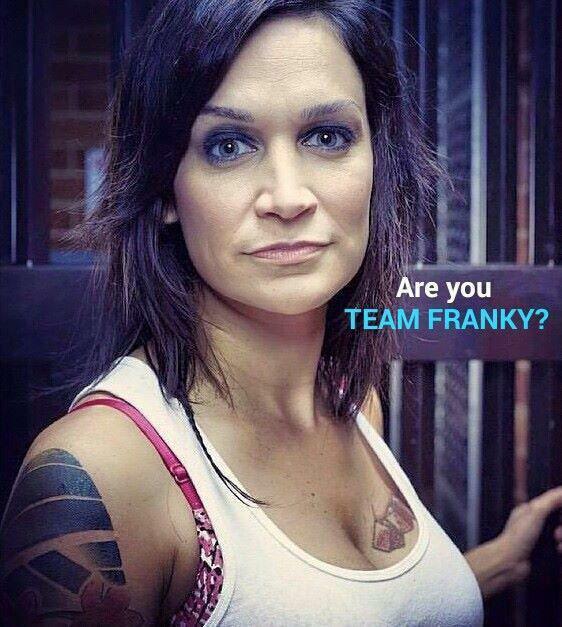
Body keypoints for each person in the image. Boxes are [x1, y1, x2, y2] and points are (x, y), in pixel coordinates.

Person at [1, 1, 561, 625]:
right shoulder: (105, 471)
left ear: (377, 162)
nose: (289, 197)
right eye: (228, 145)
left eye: (327, 137)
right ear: (164, 190)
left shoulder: (352, 403)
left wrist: (494, 565)